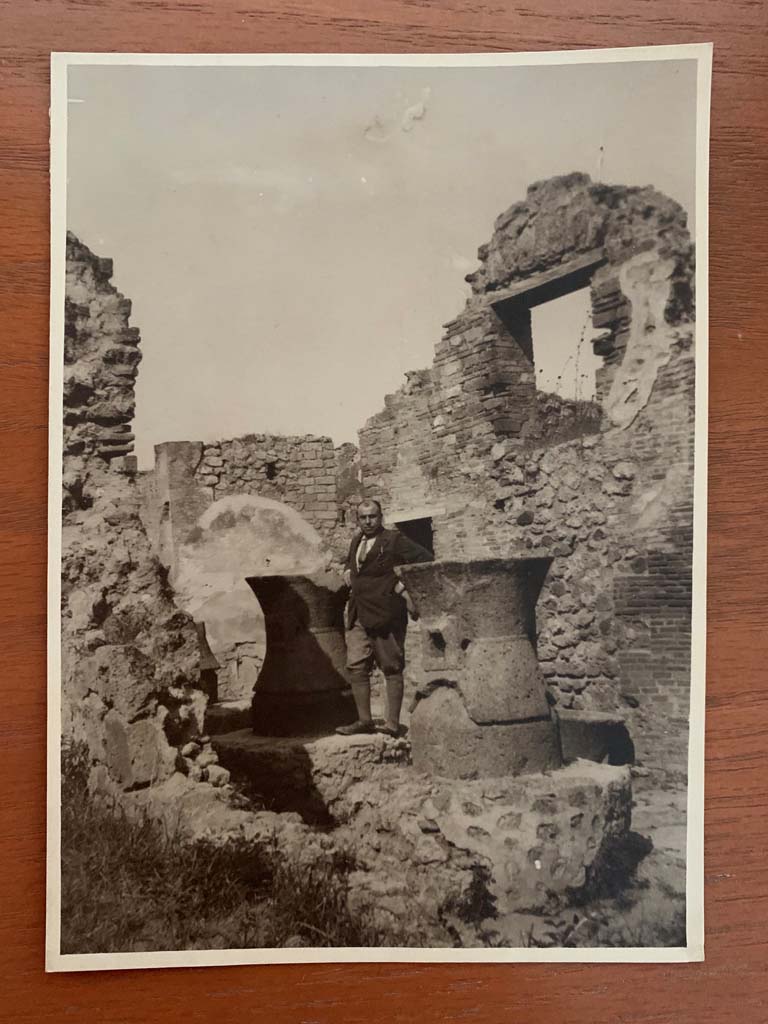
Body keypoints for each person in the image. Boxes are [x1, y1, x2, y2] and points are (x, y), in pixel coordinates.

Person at [336, 499, 432, 737]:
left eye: (373, 516)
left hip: (386, 612)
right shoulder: (357, 540)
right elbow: (355, 563)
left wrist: (402, 585)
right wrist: (349, 569)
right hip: (359, 611)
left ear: (381, 517)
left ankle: (392, 724)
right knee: (356, 665)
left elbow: (425, 557)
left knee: (391, 666)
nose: (368, 521)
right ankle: (364, 721)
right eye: (363, 517)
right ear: (357, 519)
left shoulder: (393, 540)